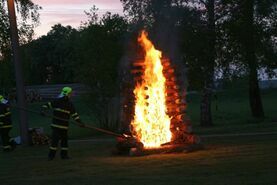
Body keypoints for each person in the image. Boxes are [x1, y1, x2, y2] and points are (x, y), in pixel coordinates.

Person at [41, 87, 84, 160]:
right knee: (55, 142)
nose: (71, 95)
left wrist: (80, 123)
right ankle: (51, 156)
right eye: (70, 93)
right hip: (56, 126)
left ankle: (64, 156)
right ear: (68, 94)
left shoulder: (69, 104)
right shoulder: (57, 101)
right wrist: (43, 111)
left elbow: (75, 115)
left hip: (64, 127)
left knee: (64, 142)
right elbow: (46, 105)